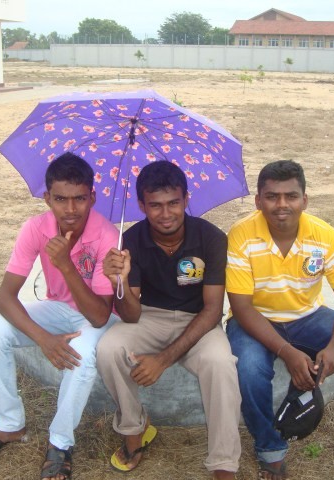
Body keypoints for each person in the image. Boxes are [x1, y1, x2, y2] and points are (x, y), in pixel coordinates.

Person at [225, 160, 334, 480]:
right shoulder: (241, 235)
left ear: (304, 200)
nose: (282, 204)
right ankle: (269, 448)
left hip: (308, 316)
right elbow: (242, 308)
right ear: (258, 201)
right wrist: (287, 352)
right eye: (272, 196)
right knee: (249, 368)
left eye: (291, 196)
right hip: (255, 319)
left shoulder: (324, 236)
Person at [0, 152, 120, 480]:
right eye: (60, 199)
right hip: (58, 308)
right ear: (47, 198)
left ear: (92, 197)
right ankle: (9, 424)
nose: (70, 209)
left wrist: (66, 265)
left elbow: (100, 316)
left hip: (99, 316)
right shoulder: (35, 228)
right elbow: (5, 297)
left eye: (79, 198)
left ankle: (60, 442)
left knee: (81, 354)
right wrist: (43, 339)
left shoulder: (107, 235)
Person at [97, 160, 241, 480]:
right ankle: (134, 429)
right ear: (141, 205)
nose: (166, 214)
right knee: (108, 349)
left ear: (186, 199)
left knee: (221, 364)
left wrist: (162, 360)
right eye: (155, 205)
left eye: (174, 203)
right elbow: (131, 314)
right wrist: (119, 282)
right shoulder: (130, 240)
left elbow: (213, 310)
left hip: (199, 321)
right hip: (149, 317)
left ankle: (224, 464)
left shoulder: (212, 238)